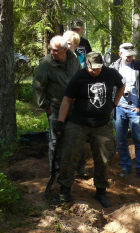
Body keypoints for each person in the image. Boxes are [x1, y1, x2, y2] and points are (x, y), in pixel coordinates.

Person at [55, 52, 125, 208]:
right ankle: (64, 190)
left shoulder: (111, 74)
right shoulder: (79, 77)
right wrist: (60, 122)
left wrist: (114, 104)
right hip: (78, 123)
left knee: (103, 158)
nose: (95, 71)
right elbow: (67, 100)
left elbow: (122, 85)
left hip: (102, 124)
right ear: (86, 65)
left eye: (98, 68)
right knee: (69, 154)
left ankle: (101, 191)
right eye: (92, 68)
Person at [32, 36, 81, 177]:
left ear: (65, 50)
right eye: (50, 50)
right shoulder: (46, 63)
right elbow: (37, 86)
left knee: (74, 138)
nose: (52, 53)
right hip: (55, 107)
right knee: (55, 141)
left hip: (73, 108)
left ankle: (74, 168)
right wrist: (46, 106)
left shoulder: (74, 60)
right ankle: (55, 171)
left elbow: (79, 80)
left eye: (55, 50)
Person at [110, 43, 140, 181]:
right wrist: (112, 105)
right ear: (120, 54)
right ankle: (126, 168)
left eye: (131, 55)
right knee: (121, 140)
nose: (130, 58)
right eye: (127, 55)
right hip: (119, 108)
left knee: (139, 140)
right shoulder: (113, 68)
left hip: (135, 109)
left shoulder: (138, 67)